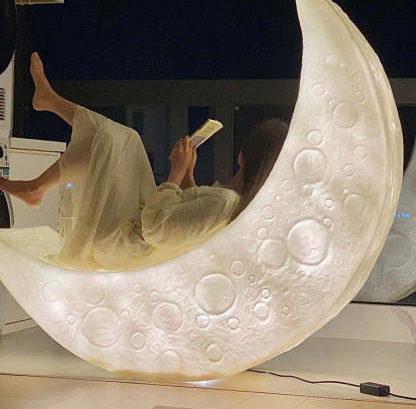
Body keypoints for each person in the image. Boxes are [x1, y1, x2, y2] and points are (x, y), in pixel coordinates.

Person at [0, 53, 288, 270]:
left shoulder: (225, 202)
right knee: (127, 140)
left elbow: (156, 228)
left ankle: (47, 112)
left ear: (244, 154)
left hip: (125, 242)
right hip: (137, 233)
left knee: (109, 140)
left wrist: (175, 173)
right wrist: (188, 174)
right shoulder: (230, 201)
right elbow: (183, 220)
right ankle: (38, 173)